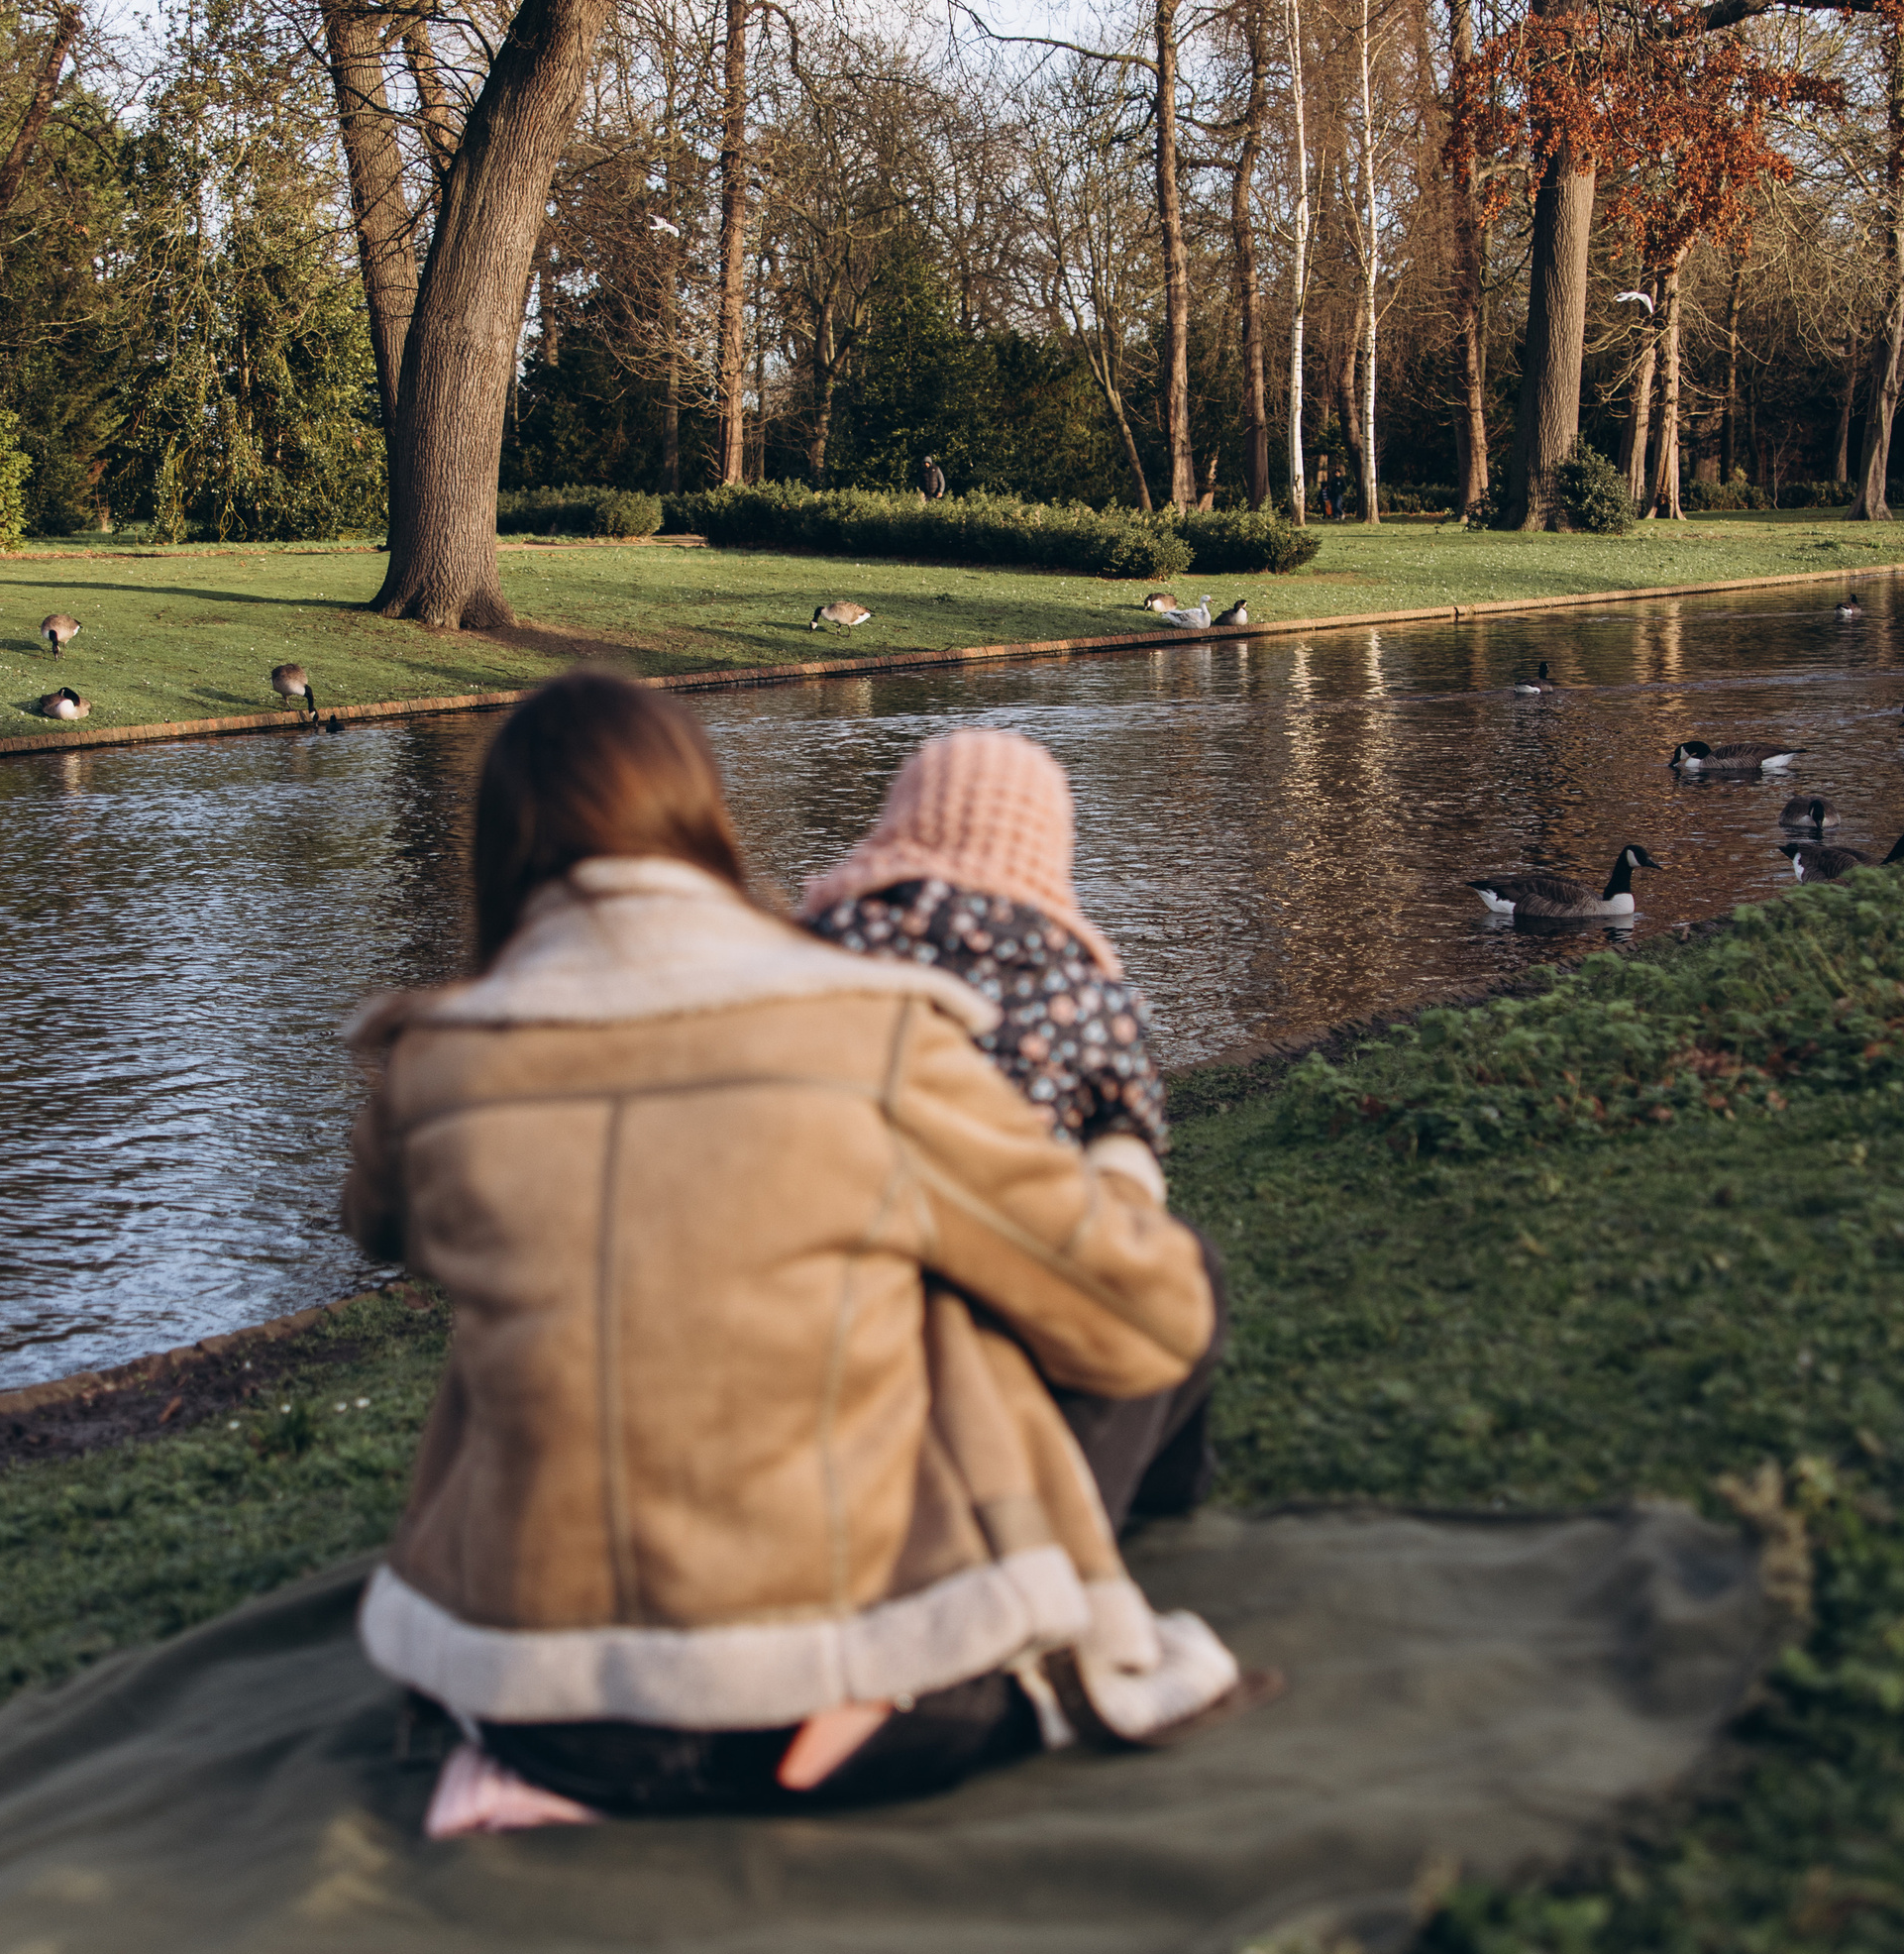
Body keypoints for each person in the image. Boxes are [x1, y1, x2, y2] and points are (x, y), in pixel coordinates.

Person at [339, 674, 1247, 1835]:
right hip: (804, 1689)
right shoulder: (868, 1030)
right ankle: (914, 1685)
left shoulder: (430, 1064)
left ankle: (550, 1770)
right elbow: (1150, 1316)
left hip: (536, 1707)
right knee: (1130, 1277)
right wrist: (1118, 1159)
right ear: (705, 816)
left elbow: (379, 1223)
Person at [798, 729, 1213, 1530]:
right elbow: (1131, 1134)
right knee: (1186, 1278)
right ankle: (1111, 1512)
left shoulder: (815, 949)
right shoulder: (1077, 980)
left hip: (833, 1282)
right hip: (1014, 1270)